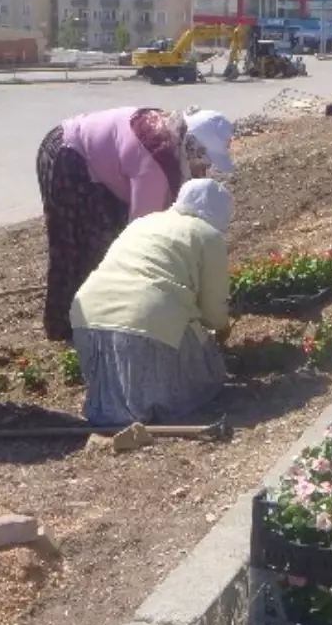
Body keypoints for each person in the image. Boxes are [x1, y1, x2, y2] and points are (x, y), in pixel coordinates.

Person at [36, 107, 235, 342]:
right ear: (191, 148)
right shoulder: (155, 167)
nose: (206, 170)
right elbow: (141, 236)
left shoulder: (170, 136)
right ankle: (71, 328)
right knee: (80, 250)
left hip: (98, 159)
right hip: (69, 156)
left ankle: (100, 319)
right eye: (204, 161)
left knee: (107, 245)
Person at [69, 178, 233, 426]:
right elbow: (213, 310)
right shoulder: (208, 235)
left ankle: (117, 408)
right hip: (148, 318)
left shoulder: (144, 222)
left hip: (86, 317)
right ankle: (153, 404)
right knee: (208, 372)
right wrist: (220, 328)